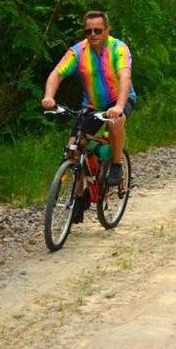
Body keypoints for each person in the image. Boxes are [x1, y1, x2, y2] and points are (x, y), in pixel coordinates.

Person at [42, 11, 135, 219]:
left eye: (98, 30)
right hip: (92, 104)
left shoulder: (118, 48)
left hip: (119, 99)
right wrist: (49, 97)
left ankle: (116, 164)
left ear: (107, 30)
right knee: (74, 148)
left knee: (115, 122)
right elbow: (57, 73)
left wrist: (119, 106)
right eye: (88, 31)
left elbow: (125, 77)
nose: (93, 34)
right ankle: (80, 195)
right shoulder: (78, 51)